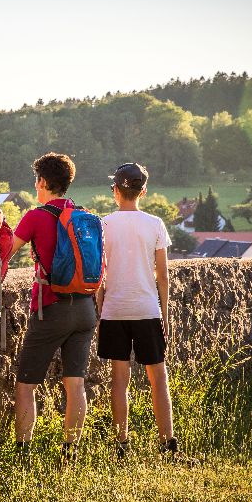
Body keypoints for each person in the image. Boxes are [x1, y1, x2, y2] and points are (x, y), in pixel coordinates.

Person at [7, 153, 96, 463]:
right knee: (75, 383)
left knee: (26, 386)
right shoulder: (84, 215)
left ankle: (23, 456)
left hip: (51, 308)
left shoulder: (35, 216)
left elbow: (4, 253)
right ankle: (69, 455)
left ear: (43, 182)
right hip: (85, 308)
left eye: (36, 180)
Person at [96, 162, 178, 457]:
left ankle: (121, 444)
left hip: (114, 311)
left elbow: (99, 274)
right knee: (159, 378)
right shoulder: (155, 224)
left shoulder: (103, 224)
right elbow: (163, 276)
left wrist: (101, 305)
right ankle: (167, 443)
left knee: (119, 380)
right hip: (147, 309)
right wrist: (164, 315)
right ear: (143, 191)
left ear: (116, 191)